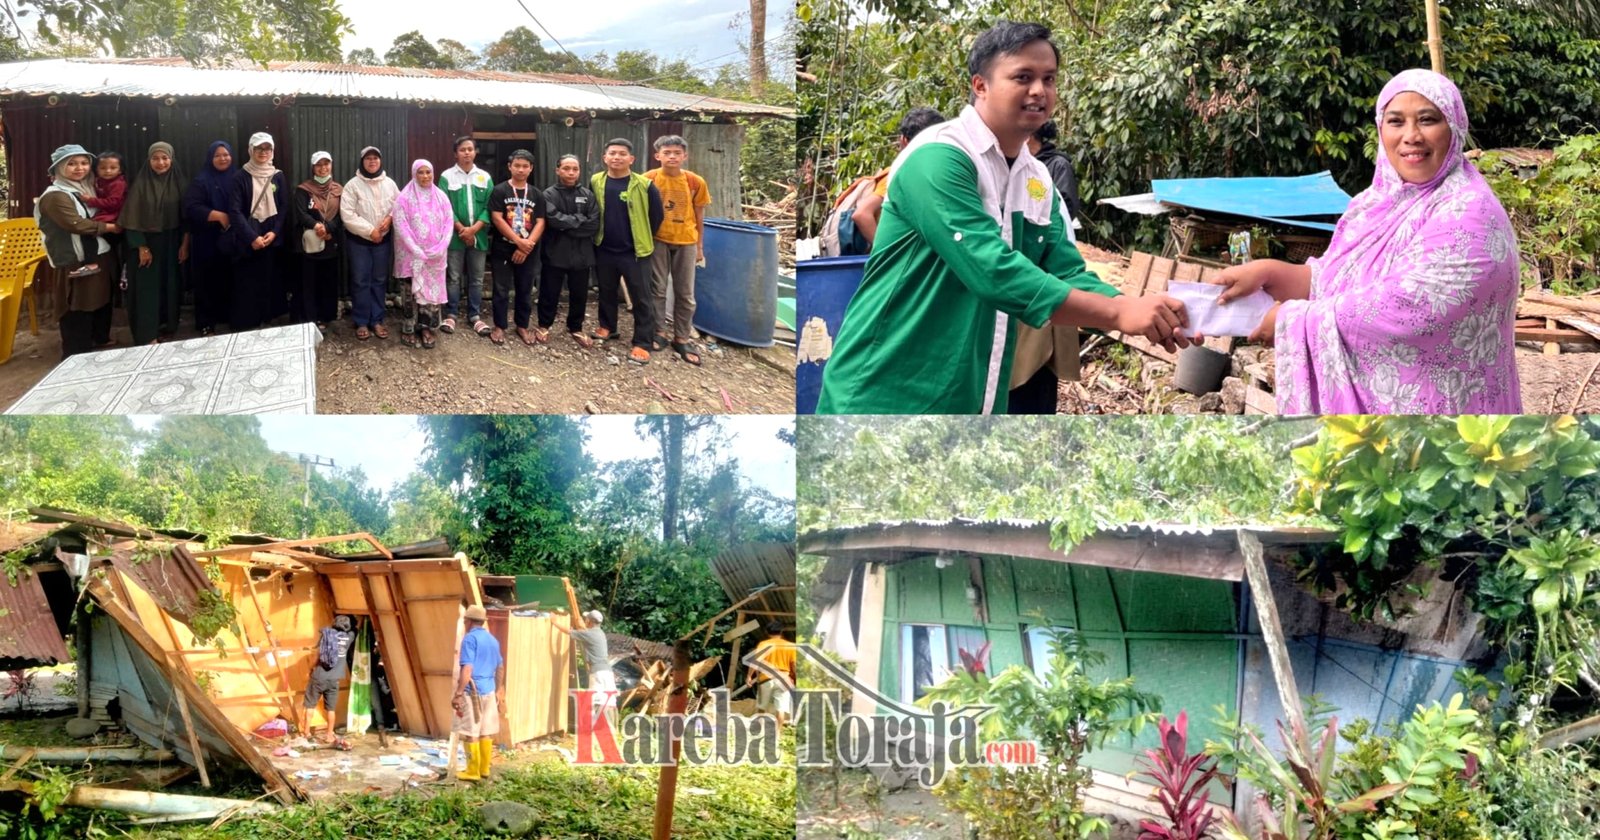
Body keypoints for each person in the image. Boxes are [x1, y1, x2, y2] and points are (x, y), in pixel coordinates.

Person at [816, 21, 1191, 414]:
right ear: (980, 86)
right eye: (1023, 77)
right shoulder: (939, 157)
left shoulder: (1037, 180)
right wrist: (1119, 313)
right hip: (882, 392)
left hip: (969, 393)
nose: (1039, 90)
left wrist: (1136, 308)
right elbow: (992, 270)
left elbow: (1065, 270)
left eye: (1049, 79)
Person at [1215, 69, 1522, 413]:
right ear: (1380, 129)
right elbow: (1335, 280)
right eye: (1396, 121)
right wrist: (1269, 273)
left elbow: (1407, 309)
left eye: (1427, 120)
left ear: (1454, 127)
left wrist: (1292, 319)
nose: (1411, 136)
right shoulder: (1372, 205)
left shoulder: (1470, 212)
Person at [1009, 121, 1086, 414]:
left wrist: (1120, 310)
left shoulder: (1044, 174)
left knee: (1030, 381)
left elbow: (1059, 236)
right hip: (1023, 300)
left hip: (1040, 297)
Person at [35, 144, 119, 358]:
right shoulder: (55, 196)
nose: (79, 168)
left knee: (98, 300)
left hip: (97, 253)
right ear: (59, 168)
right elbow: (76, 224)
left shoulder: (85, 190)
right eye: (71, 164)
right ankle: (76, 353)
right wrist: (110, 227)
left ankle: (98, 339)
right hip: (75, 258)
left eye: (84, 163)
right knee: (77, 305)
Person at [589, 138, 664, 365]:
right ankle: (608, 327)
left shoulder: (645, 185)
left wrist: (642, 237)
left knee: (641, 297)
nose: (617, 157)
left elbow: (656, 216)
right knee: (606, 291)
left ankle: (642, 342)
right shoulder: (596, 181)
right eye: (612, 153)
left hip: (635, 251)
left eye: (622, 154)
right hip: (604, 248)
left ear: (631, 159)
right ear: (604, 158)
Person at [643, 135, 711, 365]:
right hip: (657, 239)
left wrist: (699, 246)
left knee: (685, 293)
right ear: (657, 156)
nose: (672, 156)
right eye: (667, 152)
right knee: (657, 289)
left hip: (686, 241)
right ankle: (659, 332)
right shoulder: (649, 179)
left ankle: (682, 337)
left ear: (685, 156)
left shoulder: (694, 182)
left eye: (676, 153)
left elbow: (699, 215)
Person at [847, 107, 946, 250]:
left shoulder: (917, 172)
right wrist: (886, 252)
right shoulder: (898, 175)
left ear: (903, 140)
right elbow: (862, 214)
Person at [120, 142, 189, 345]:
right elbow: (131, 220)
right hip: (146, 244)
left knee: (170, 286)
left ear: (172, 159)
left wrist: (185, 245)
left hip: (172, 242)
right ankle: (147, 334)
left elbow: (187, 218)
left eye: (165, 158)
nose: (161, 163)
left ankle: (167, 328)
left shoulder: (179, 183)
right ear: (148, 160)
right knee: (146, 290)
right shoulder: (140, 185)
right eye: (155, 158)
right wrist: (141, 247)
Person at [226, 132, 289, 331]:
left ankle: (268, 317)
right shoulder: (240, 176)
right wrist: (251, 237)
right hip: (248, 236)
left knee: (270, 277)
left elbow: (283, 206)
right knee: (248, 280)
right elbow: (235, 210)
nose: (263, 152)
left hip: (271, 235)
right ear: (250, 150)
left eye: (267, 148)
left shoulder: (277, 175)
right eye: (259, 148)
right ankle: (248, 322)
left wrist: (275, 232)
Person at [392, 159, 453, 350]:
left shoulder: (441, 197)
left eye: (428, 172)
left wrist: (442, 246)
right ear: (414, 174)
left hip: (435, 257)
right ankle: (409, 327)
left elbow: (449, 222)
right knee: (410, 291)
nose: (425, 176)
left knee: (431, 292)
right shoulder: (404, 198)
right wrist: (416, 249)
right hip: (411, 256)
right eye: (421, 172)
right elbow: (400, 225)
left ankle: (427, 327)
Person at [487, 149, 545, 346]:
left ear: (531, 168)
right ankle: (499, 325)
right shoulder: (499, 190)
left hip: (529, 249)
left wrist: (526, 246)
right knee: (500, 288)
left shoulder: (536, 194)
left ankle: (522, 325)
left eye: (525, 166)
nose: (521, 169)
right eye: (517, 165)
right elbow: (497, 218)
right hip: (503, 247)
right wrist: (517, 241)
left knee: (525, 288)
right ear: (509, 167)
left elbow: (541, 222)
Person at [340, 146, 398, 341]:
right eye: (368, 158)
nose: (372, 161)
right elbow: (347, 215)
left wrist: (389, 219)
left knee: (379, 280)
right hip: (359, 243)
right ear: (362, 161)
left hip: (382, 242)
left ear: (380, 161)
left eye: (375, 158)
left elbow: (398, 205)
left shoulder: (389, 184)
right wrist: (370, 231)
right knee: (360, 280)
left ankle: (377, 320)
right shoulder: (353, 185)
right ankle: (362, 321)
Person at [541, 154, 599, 348]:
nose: (571, 172)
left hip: (582, 254)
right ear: (557, 170)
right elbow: (553, 220)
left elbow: (593, 224)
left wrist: (567, 226)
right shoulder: (548, 195)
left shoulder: (588, 195)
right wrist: (578, 220)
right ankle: (544, 324)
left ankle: (575, 327)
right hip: (555, 251)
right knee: (550, 291)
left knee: (579, 293)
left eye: (575, 169)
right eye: (566, 168)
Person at [183, 141, 236, 336]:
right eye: (217, 155)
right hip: (207, 240)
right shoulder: (201, 180)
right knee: (206, 282)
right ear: (210, 158)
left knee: (230, 279)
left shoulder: (237, 177)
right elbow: (191, 207)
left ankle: (229, 318)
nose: (223, 159)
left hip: (232, 239)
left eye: (226, 155)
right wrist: (218, 215)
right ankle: (206, 324)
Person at [440, 136, 492, 338]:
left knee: (477, 278)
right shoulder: (447, 177)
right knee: (453, 276)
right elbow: (445, 207)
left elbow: (489, 207)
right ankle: (451, 314)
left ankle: (474, 315)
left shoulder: (485, 177)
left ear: (475, 152)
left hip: (479, 236)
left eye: (470, 149)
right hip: (455, 236)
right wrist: (462, 229)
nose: (467, 153)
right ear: (456, 153)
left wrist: (474, 229)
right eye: (462, 150)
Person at [291, 151, 344, 332]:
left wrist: (328, 229)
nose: (323, 168)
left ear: (331, 165)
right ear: (313, 167)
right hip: (310, 243)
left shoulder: (338, 190)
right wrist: (316, 226)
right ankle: (310, 317)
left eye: (326, 164)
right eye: (319, 165)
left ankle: (326, 316)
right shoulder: (303, 190)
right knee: (309, 281)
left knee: (328, 280)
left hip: (330, 241)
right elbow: (301, 213)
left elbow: (342, 215)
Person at [452, 605, 504, 783]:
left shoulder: (469, 639)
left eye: (465, 620)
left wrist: (459, 693)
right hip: (489, 690)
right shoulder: (492, 640)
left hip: (473, 692)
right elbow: (500, 668)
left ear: (468, 621)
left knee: (471, 732)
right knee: (485, 732)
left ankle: (472, 771)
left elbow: (467, 669)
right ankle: (484, 769)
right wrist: (497, 689)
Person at [85, 151, 127, 347]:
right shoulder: (95, 182)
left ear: (120, 170)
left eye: (112, 168)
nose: (108, 171)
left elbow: (114, 203)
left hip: (113, 220)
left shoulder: (118, 184)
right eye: (103, 168)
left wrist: (90, 200)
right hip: (105, 220)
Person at [555, 610, 617, 731]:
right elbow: (583, 633)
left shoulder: (589, 634)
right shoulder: (600, 633)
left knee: (594, 700)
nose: (585, 621)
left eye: (586, 619)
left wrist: (554, 622)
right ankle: (609, 729)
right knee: (608, 700)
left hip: (598, 673)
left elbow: (568, 632)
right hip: (607, 672)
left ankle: (594, 730)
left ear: (589, 621)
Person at [305, 615, 356, 748]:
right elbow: (355, 629)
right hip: (334, 679)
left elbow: (317, 656)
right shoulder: (349, 637)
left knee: (310, 705)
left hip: (319, 676)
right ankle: (329, 735)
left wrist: (310, 669)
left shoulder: (327, 635)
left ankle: (306, 733)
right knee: (331, 709)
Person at [1027, 120, 1081, 223]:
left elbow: (1067, 207)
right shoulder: (1022, 165)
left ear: (1027, 138)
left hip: (1050, 229)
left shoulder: (1058, 165)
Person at [748, 621, 796, 729]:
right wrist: (795, 678)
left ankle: (759, 729)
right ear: (781, 631)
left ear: (767, 632)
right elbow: (794, 665)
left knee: (761, 707)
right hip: (783, 680)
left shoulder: (764, 644)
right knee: (781, 709)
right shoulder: (790, 646)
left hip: (766, 679)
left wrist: (749, 676)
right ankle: (777, 733)